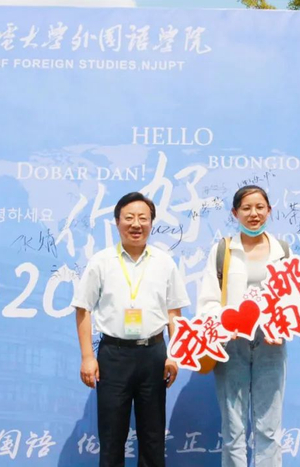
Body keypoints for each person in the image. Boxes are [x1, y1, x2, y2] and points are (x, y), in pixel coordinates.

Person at [71, 191, 191, 467]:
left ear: (151, 222)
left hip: (154, 354)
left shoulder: (164, 262)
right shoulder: (101, 261)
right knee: (112, 436)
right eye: (129, 218)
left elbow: (174, 313)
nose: (136, 224)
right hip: (114, 355)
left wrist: (174, 355)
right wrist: (87, 357)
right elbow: (83, 309)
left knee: (153, 436)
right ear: (117, 222)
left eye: (143, 218)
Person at [197, 185, 290, 467]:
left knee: (268, 428)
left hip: (270, 345)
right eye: (246, 208)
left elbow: (291, 299)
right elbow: (209, 299)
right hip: (231, 344)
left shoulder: (282, 250)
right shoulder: (223, 250)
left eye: (260, 207)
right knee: (233, 427)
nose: (254, 214)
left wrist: (280, 326)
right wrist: (226, 324)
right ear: (235, 213)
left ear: (269, 211)